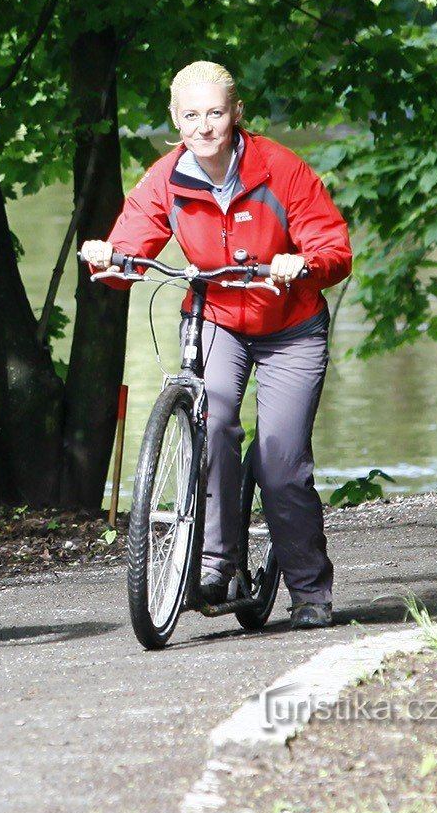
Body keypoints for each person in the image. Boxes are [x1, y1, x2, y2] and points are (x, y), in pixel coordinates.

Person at [80, 60, 351, 630]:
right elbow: (131, 242)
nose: (204, 126)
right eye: (191, 115)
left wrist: (302, 263)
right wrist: (109, 257)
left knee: (281, 465)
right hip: (217, 316)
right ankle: (217, 565)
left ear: (236, 115)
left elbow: (332, 245)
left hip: (290, 324)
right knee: (213, 422)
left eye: (216, 113)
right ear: (175, 120)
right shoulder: (167, 178)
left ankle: (309, 593)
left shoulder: (280, 169)